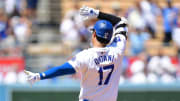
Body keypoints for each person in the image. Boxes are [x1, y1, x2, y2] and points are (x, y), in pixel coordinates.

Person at [24, 6, 128, 101]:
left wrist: (40, 76)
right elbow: (121, 22)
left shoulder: (86, 56)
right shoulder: (117, 50)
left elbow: (62, 70)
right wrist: (97, 13)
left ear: (94, 34)